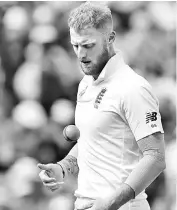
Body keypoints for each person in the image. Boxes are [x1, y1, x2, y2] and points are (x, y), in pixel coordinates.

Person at [38, 2, 166, 210]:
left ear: (110, 38)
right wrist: (63, 167)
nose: (81, 55)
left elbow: (156, 157)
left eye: (88, 45)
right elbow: (92, 139)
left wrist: (112, 203)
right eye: (75, 45)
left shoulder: (133, 87)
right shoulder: (85, 83)